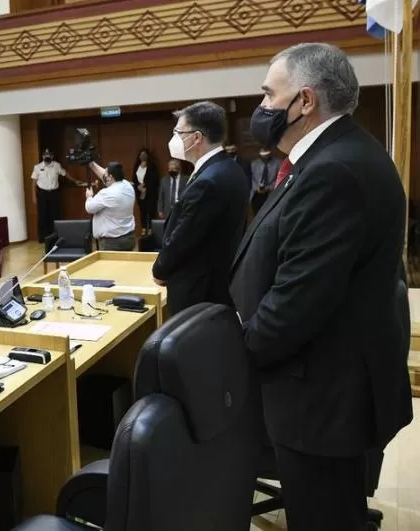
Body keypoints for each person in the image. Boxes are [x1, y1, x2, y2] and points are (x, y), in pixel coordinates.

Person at [230, 43, 412, 531]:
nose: (263, 106)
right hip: (329, 379)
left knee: (323, 518)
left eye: (270, 94)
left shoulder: (334, 170)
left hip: (321, 395)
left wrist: (240, 351)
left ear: (304, 101)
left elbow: (297, 301)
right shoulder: (330, 156)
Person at [151, 101, 248, 315]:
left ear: (196, 138)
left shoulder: (209, 181)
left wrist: (160, 269)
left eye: (178, 132)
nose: (174, 138)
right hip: (221, 281)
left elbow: (184, 237)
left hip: (198, 289)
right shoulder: (229, 167)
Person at [84, 162, 136, 251]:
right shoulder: (127, 185)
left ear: (111, 177)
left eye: (106, 174)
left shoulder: (107, 193)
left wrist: (89, 197)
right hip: (128, 238)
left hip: (112, 243)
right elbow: (106, 177)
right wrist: (92, 165)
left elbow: (89, 208)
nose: (104, 175)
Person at [31, 149, 68, 242]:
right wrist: (33, 196)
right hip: (42, 194)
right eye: (45, 155)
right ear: (42, 156)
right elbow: (33, 182)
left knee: (55, 215)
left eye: (49, 155)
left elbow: (65, 173)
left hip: (54, 193)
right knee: (43, 215)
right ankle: (43, 238)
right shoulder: (37, 167)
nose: (47, 157)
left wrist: (75, 180)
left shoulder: (57, 165)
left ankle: (55, 237)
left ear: (52, 156)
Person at [132, 148, 159, 235]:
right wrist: (138, 186)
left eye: (144, 154)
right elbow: (134, 179)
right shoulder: (137, 166)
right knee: (142, 211)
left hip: (150, 193)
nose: (142, 156)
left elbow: (154, 179)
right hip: (140, 193)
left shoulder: (151, 166)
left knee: (151, 210)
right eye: (141, 154)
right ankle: (143, 229)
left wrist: (146, 187)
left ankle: (151, 229)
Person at [249, 147, 282, 214]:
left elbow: (280, 178)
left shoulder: (278, 163)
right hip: (257, 192)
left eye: (266, 155)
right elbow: (251, 178)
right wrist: (257, 188)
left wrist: (268, 188)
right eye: (263, 156)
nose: (265, 158)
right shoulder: (254, 163)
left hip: (271, 192)